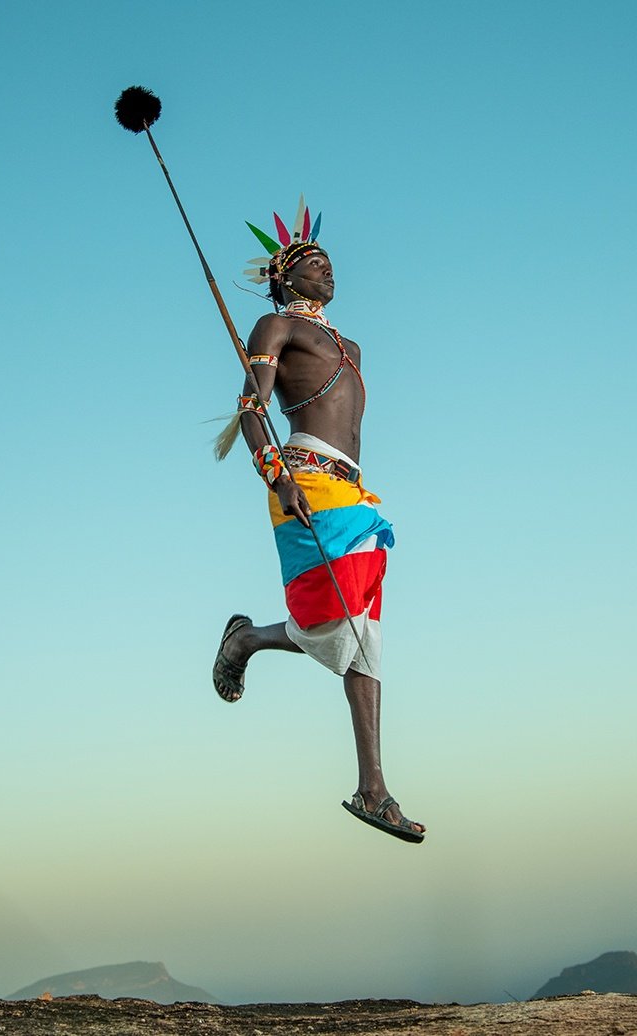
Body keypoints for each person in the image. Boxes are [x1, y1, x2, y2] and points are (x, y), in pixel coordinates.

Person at [210, 200, 424, 844]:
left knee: (357, 630)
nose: (327, 273)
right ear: (285, 278)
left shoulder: (351, 345)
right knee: (346, 626)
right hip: (300, 475)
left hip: (354, 489)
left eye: (330, 264)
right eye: (313, 265)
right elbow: (251, 407)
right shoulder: (275, 327)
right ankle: (373, 788)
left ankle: (245, 642)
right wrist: (273, 471)